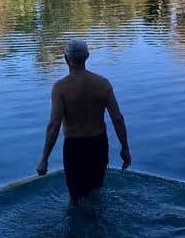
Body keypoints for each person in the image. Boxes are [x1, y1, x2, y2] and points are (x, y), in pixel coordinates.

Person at [36, 39, 130, 202]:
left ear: (66, 59)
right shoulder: (103, 83)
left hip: (74, 147)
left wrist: (44, 159)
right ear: (87, 56)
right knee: (96, 193)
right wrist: (125, 148)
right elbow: (117, 118)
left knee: (76, 198)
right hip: (99, 144)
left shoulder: (60, 88)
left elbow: (54, 125)